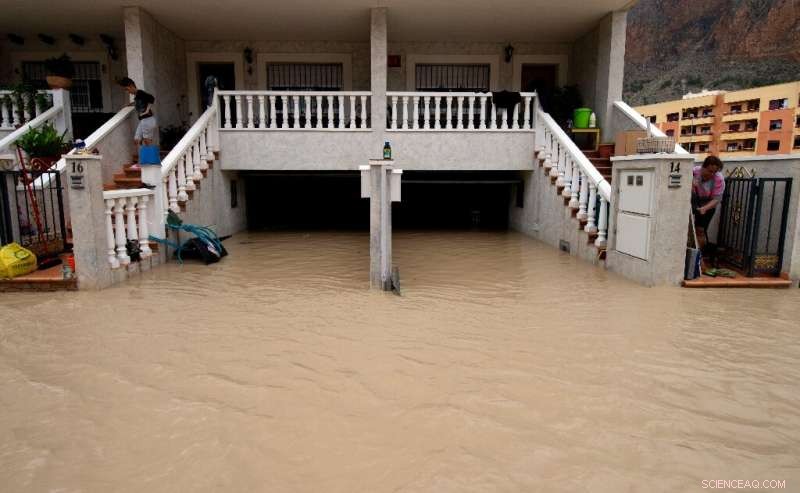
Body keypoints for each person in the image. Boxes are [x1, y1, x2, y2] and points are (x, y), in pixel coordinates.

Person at [691, 155, 725, 250]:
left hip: (709, 204)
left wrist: (704, 208)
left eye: (715, 172)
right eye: (710, 171)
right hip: (695, 200)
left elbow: (716, 199)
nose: (712, 174)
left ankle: (699, 256)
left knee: (701, 230)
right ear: (703, 167)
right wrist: (690, 181)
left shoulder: (719, 179)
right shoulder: (694, 171)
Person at [118, 77, 157, 149]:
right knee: (137, 140)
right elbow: (139, 102)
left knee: (147, 141)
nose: (128, 92)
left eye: (127, 89)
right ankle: (142, 158)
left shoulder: (140, 93)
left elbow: (152, 98)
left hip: (148, 119)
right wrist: (129, 104)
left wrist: (147, 110)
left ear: (131, 86)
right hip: (143, 120)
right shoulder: (137, 96)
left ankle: (152, 159)